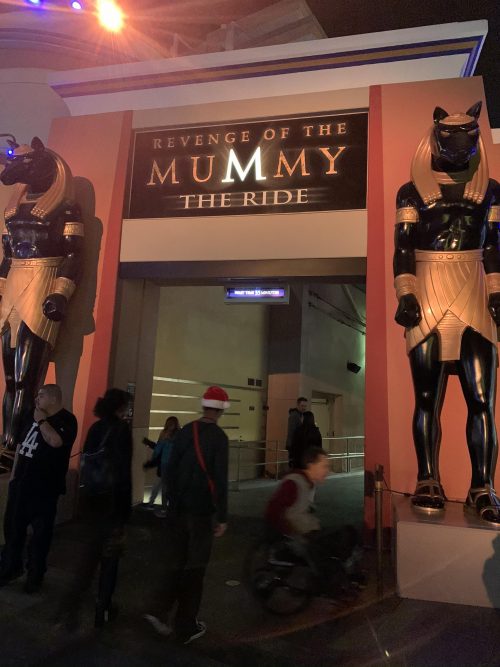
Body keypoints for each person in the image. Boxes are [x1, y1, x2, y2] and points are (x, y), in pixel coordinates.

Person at [144, 385, 229, 645]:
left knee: (176, 560)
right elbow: (220, 479)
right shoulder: (219, 437)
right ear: (221, 410)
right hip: (201, 511)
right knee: (195, 567)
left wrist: (170, 501)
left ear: (204, 405)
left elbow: (169, 468)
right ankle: (186, 624)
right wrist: (222, 516)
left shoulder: (185, 431)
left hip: (178, 509)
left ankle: (159, 609)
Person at [0, 384, 77, 593]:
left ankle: (35, 575)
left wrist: (42, 421)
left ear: (53, 399)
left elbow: (55, 441)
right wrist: (14, 477)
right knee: (13, 530)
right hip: (21, 485)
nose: (37, 399)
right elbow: (20, 446)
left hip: (45, 489)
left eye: (41, 395)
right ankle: (10, 567)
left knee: (40, 535)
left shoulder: (67, 420)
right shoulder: (29, 416)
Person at [265, 447, 364, 592]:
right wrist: (290, 534)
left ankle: (343, 575)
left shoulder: (308, 484)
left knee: (346, 536)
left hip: (308, 533)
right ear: (311, 465)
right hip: (301, 536)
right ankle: (336, 580)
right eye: (324, 466)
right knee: (346, 533)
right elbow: (273, 511)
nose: (327, 471)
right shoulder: (294, 483)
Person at [143, 416, 180, 515]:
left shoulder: (166, 435)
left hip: (165, 464)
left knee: (163, 486)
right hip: (169, 464)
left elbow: (158, 449)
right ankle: (164, 506)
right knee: (164, 485)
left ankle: (161, 506)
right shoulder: (177, 436)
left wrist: (152, 460)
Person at [285, 396, 308, 465]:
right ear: (298, 405)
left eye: (305, 406)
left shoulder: (300, 415)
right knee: (294, 464)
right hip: (294, 445)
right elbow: (292, 431)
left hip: (296, 444)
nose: (304, 408)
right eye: (302, 406)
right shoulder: (294, 415)